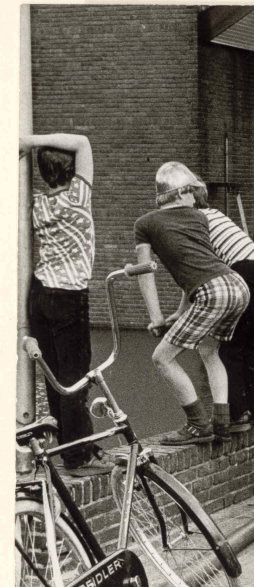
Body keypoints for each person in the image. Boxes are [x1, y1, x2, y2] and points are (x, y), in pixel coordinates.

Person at [135, 162, 250, 445]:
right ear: (181, 193)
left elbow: (146, 273)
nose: (195, 197)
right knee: (209, 351)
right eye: (192, 191)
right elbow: (197, 269)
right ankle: (222, 423)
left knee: (161, 358)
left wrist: (157, 317)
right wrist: (179, 313)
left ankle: (198, 424)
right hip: (236, 285)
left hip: (212, 291)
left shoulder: (145, 224)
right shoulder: (199, 218)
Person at [20, 133, 113, 475]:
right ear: (73, 171)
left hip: (40, 294)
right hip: (69, 295)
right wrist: (29, 139)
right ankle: (79, 457)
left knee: (55, 376)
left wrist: (27, 150)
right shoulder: (78, 196)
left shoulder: (38, 204)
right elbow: (84, 141)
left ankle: (69, 445)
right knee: (75, 377)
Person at [164, 180, 254, 430]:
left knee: (227, 346)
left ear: (189, 200)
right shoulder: (216, 214)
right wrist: (180, 311)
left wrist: (180, 312)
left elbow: (195, 273)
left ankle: (236, 415)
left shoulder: (194, 223)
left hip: (246, 275)